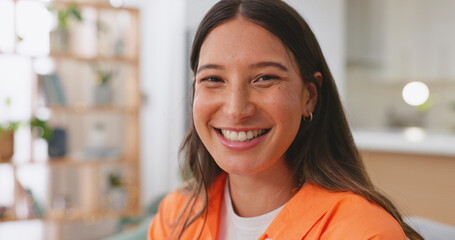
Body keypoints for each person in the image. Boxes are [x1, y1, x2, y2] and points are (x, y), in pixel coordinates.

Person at [148, 0, 423, 239]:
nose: (236, 110)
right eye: (213, 79)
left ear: (309, 97)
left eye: (265, 78)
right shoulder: (176, 214)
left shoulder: (363, 231)